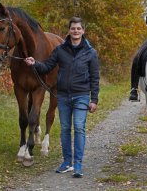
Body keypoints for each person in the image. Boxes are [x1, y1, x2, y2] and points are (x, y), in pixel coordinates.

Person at [24, 17, 99, 178]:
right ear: (69, 31)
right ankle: (67, 162)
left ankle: (78, 164)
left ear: (83, 31)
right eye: (73, 28)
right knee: (65, 129)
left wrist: (94, 100)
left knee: (78, 127)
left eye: (79, 28)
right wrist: (34, 63)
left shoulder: (90, 52)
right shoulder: (60, 50)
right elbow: (47, 66)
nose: (76, 31)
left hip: (81, 96)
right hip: (63, 96)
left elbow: (95, 77)